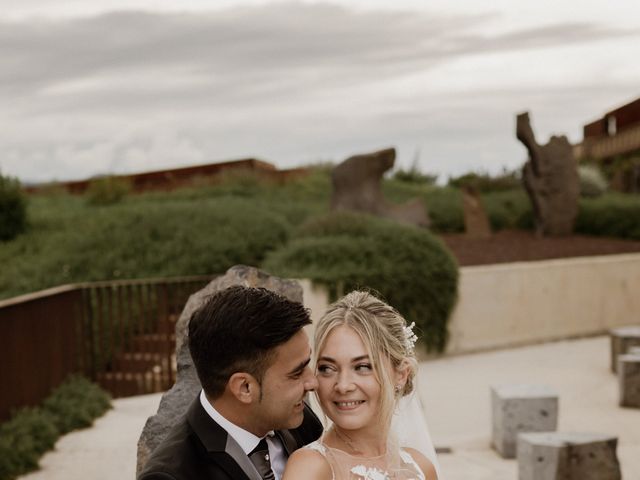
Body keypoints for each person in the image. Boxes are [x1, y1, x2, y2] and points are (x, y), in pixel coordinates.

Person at [139, 285, 323, 480]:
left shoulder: (300, 421)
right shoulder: (173, 475)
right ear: (244, 387)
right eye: (296, 373)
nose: (313, 382)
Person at [282, 290, 439, 480]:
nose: (343, 385)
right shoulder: (310, 469)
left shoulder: (422, 468)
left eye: (362, 367)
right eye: (327, 368)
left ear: (401, 374)